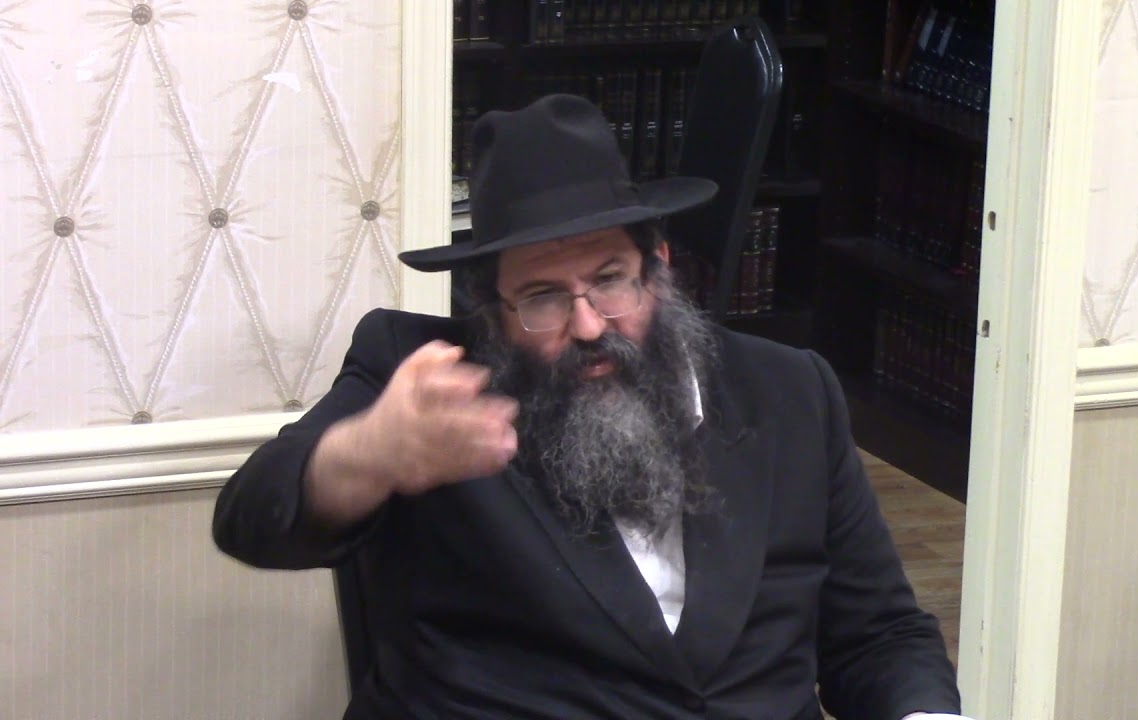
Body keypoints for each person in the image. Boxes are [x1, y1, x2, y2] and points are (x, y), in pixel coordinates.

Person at [212, 93, 964, 720]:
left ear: (656, 267)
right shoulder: (424, 381)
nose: (588, 325)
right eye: (542, 296)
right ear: (491, 308)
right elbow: (252, 516)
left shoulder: (789, 391)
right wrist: (369, 452)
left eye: (610, 279)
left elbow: (879, 635)